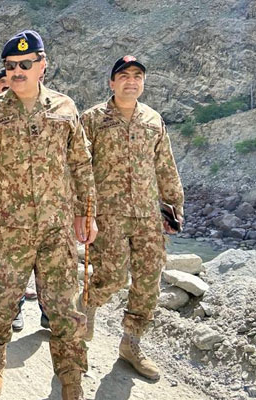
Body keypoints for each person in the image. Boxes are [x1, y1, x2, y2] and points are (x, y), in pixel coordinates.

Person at [0, 30, 97, 399]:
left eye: (25, 64)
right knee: (3, 299)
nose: (17, 71)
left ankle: (70, 372)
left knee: (62, 304)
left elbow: (81, 162)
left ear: (42, 65)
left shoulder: (65, 108)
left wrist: (88, 213)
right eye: (11, 66)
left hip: (56, 228)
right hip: (10, 228)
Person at [79, 55, 184, 380]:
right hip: (106, 216)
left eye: (138, 76)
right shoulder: (93, 119)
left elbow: (164, 164)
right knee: (110, 278)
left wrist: (173, 205)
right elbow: (79, 168)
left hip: (147, 216)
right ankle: (84, 312)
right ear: (112, 82)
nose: (131, 81)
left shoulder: (153, 120)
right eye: (124, 75)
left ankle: (131, 343)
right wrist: (81, 211)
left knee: (149, 281)